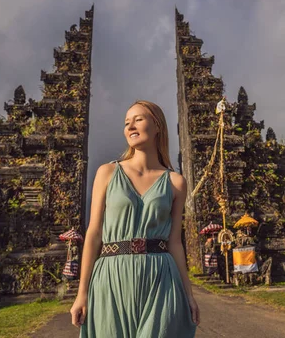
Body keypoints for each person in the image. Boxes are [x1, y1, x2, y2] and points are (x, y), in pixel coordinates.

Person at [70, 100, 199, 337]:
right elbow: (94, 234)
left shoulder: (175, 182)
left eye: (138, 119)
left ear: (157, 125)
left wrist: (189, 295)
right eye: (127, 122)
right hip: (111, 275)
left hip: (160, 276)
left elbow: (175, 243)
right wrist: (82, 293)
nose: (131, 126)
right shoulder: (107, 172)